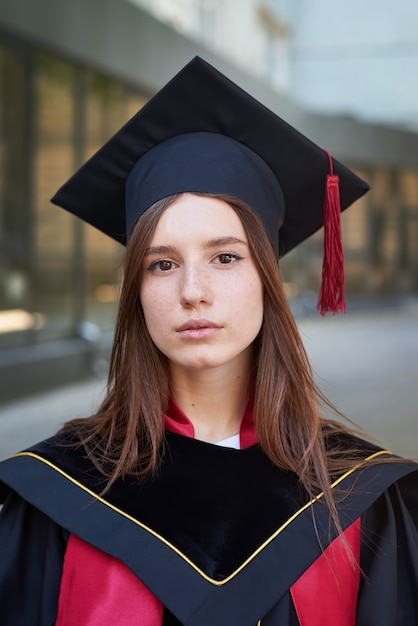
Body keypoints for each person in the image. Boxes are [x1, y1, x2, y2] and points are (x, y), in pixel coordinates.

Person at [0, 56, 417, 626]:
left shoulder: (356, 495)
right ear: (136, 292)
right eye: (162, 264)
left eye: (225, 257)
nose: (193, 291)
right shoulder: (57, 493)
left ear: (268, 278)